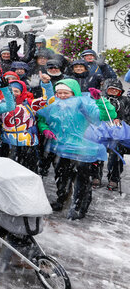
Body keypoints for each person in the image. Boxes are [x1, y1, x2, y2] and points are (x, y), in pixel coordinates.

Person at [36, 78, 105, 220]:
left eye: (66, 93)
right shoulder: (55, 104)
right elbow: (43, 118)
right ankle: (62, 200)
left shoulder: (83, 103)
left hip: (82, 149)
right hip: (61, 148)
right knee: (61, 176)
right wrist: (45, 129)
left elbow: (102, 116)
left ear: (74, 92)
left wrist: (100, 101)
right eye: (59, 93)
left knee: (82, 180)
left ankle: (79, 208)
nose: (62, 96)